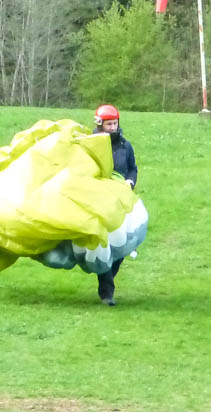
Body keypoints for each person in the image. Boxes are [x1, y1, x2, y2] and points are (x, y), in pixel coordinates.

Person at [92, 103, 137, 307]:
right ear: (100, 124)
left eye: (115, 123)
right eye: (108, 124)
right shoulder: (91, 145)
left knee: (122, 244)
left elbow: (132, 169)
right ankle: (107, 292)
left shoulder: (125, 146)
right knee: (105, 245)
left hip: (121, 201)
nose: (112, 127)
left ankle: (107, 278)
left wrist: (130, 182)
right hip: (99, 202)